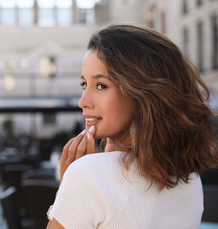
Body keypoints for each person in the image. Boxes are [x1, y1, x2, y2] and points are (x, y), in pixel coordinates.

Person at [46, 24, 218, 229]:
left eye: (101, 85)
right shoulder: (189, 178)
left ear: (142, 94)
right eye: (84, 84)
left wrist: (65, 191)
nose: (82, 101)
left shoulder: (87, 174)